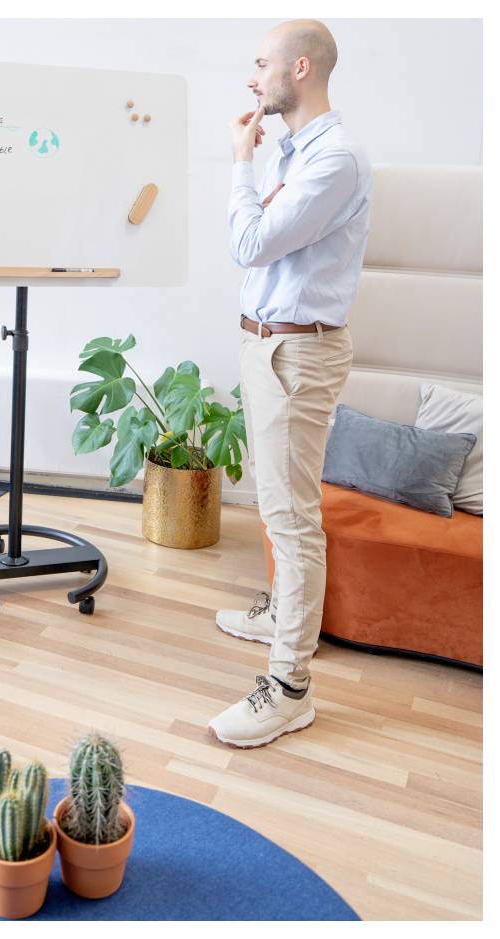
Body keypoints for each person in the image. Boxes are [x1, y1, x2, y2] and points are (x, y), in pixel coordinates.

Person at [208, 20, 372, 747]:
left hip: (296, 357)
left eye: (261, 63)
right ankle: (280, 613)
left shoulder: (333, 160)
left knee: (290, 518)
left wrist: (240, 164)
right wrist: (261, 162)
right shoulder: (296, 152)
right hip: (267, 347)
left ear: (299, 68)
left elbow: (250, 243)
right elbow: (264, 258)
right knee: (278, 507)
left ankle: (289, 687)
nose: (251, 77)